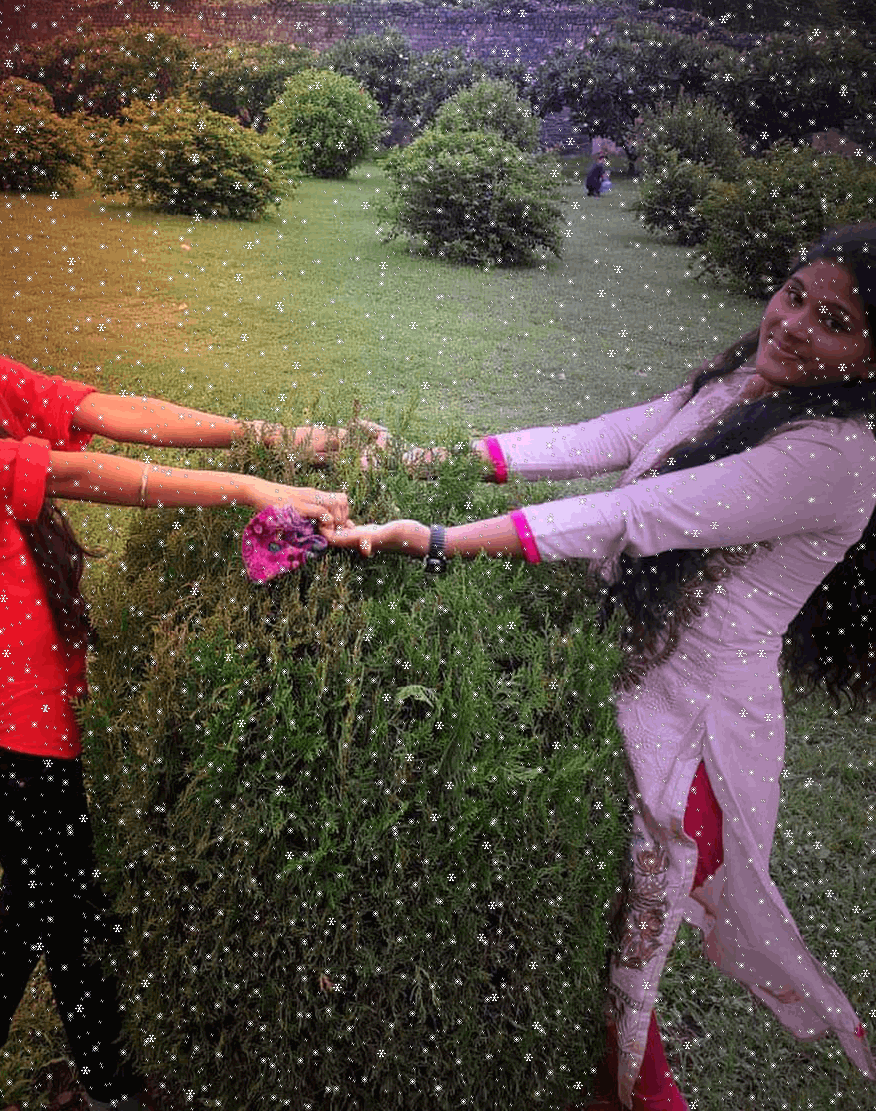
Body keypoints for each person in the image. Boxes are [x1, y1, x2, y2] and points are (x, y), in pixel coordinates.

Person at [0, 202, 352, 1111]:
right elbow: (69, 471)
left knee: (44, 894)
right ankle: (103, 1086)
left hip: (43, 690)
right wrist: (250, 487)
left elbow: (105, 412)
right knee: (71, 907)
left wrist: (274, 438)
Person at [328, 223, 876, 1111]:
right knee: (581, 960)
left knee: (614, 982)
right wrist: (435, 460)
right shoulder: (741, 385)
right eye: (795, 294)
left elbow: (639, 514)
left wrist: (436, 540)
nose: (793, 323)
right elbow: (610, 436)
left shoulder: (838, 456)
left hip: (688, 749)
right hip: (626, 693)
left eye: (836, 321)